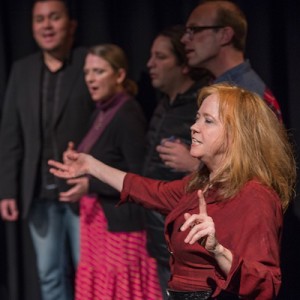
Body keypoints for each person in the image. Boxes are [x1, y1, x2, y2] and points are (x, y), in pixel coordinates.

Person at [49, 83, 296, 300]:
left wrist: (218, 251)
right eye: (197, 118)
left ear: (237, 135)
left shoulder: (255, 196)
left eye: (208, 121)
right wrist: (91, 165)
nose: (194, 127)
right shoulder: (200, 185)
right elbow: (148, 189)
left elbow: (266, 283)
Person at [0, 1, 94, 299]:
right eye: (39, 19)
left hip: (84, 192)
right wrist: (7, 190)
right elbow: (10, 134)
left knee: (88, 272)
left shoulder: (88, 63)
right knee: (49, 274)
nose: (47, 25)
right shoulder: (22, 69)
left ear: (71, 25)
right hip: (38, 193)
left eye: (54, 17)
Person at [60, 44, 162, 300]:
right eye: (87, 72)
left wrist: (89, 185)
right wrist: (76, 166)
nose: (90, 79)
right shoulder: (100, 111)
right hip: (98, 225)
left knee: (120, 292)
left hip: (122, 228)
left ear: (119, 75)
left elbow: (139, 176)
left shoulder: (127, 113)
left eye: (98, 71)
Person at [158, 0, 283, 174]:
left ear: (225, 35)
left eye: (194, 30)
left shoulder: (249, 93)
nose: (184, 39)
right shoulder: (217, 85)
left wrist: (193, 165)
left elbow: (263, 173)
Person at [144, 25, 211, 299]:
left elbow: (235, 170)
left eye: (161, 57)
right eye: (151, 56)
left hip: (187, 244)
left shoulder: (201, 106)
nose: (150, 64)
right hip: (159, 240)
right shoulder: (163, 105)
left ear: (184, 65)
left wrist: (194, 164)